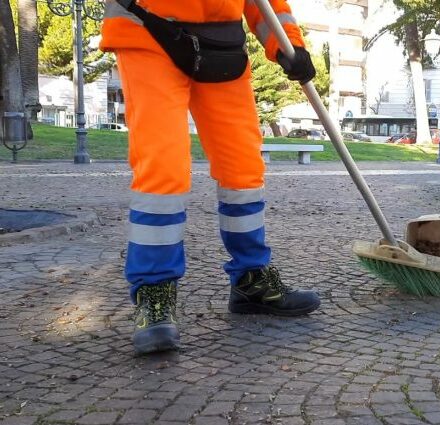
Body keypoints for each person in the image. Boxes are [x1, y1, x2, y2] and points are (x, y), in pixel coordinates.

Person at [100, 0, 321, 354]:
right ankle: (154, 293)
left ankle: (252, 279)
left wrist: (287, 44)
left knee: (244, 168)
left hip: (222, 42)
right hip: (148, 29)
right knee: (163, 168)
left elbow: (263, 4)